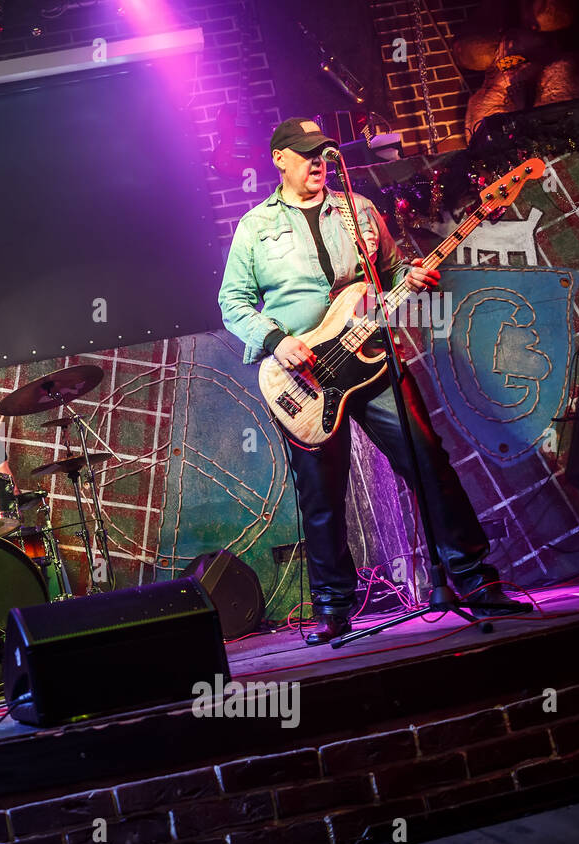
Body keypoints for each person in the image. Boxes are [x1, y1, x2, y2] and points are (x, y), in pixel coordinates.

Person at [218, 117, 527, 645]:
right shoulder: (254, 227)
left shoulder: (357, 210)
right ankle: (334, 607)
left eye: (323, 153)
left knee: (428, 461)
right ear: (280, 159)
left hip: (374, 356)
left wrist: (416, 275)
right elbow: (232, 302)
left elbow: (393, 270)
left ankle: (475, 581)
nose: (318, 162)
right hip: (306, 376)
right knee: (321, 496)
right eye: (307, 153)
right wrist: (277, 341)